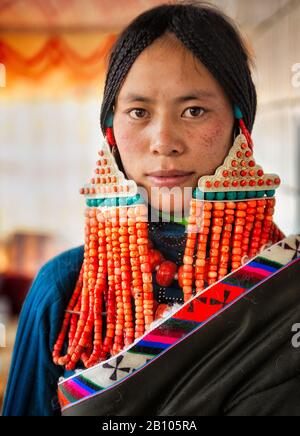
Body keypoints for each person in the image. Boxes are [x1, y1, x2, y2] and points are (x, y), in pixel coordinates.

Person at [3, 2, 300, 416]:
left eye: (194, 110)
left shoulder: (286, 286)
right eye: (139, 112)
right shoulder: (65, 292)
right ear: (111, 131)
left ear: (240, 124)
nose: (164, 140)